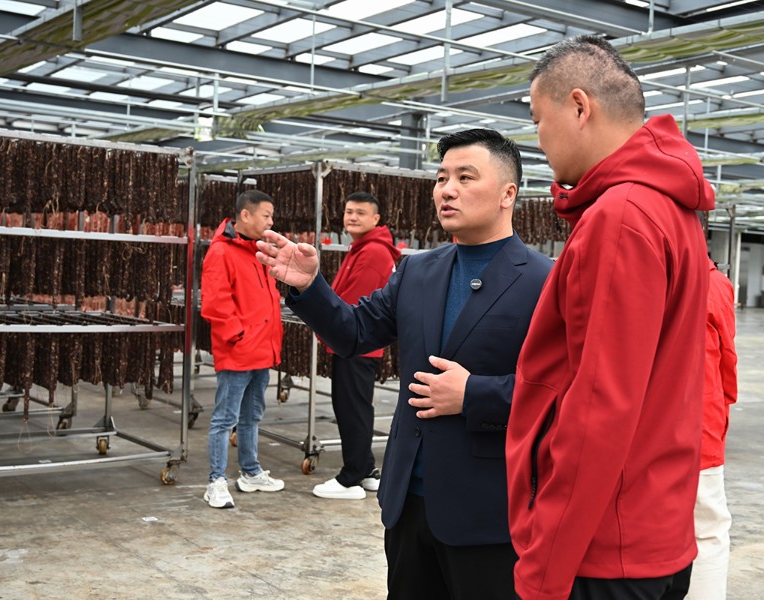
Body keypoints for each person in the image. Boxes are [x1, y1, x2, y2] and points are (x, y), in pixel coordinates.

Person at [256, 129, 552, 599]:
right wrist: (310, 287)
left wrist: (473, 394)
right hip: (408, 503)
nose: (447, 190)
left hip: (489, 511)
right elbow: (354, 333)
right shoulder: (418, 270)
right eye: (441, 178)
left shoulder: (544, 281)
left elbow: (565, 391)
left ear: (507, 194)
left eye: (465, 177)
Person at [506, 35, 715, 599]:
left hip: (603, 549)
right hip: (652, 527)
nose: (538, 139)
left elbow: (600, 407)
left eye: (538, 119)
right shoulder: (670, 208)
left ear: (579, 106)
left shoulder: (621, 216)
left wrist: (544, 570)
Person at [313, 191, 402, 500]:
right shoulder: (363, 248)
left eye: (360, 213)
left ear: (376, 219)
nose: (352, 217)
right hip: (355, 342)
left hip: (356, 342)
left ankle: (350, 478)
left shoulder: (373, 252)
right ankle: (365, 469)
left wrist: (328, 328)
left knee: (352, 409)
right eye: (349, 211)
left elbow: (353, 302)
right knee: (356, 408)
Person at [201, 190, 285, 509]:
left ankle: (250, 472)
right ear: (246, 215)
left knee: (252, 416)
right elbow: (216, 303)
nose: (271, 221)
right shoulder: (222, 251)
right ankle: (216, 481)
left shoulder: (258, 251)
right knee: (225, 419)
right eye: (266, 215)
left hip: (261, 349)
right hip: (238, 351)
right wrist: (239, 337)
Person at [687, 260, 738, 600]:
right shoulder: (715, 284)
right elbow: (727, 363)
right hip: (700, 426)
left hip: (633, 430)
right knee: (707, 530)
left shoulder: (629, 275)